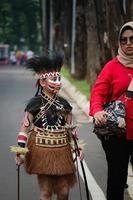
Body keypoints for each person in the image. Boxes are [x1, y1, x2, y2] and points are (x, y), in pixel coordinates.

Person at [14, 50, 84, 200]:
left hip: (62, 152)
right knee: (46, 193)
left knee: (64, 192)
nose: (57, 82)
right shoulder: (34, 104)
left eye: (58, 78)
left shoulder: (64, 104)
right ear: (42, 82)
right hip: (41, 150)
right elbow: (24, 128)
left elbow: (70, 130)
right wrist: (20, 150)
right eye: (53, 78)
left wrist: (78, 148)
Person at [89, 21, 133, 200]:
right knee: (116, 180)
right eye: (124, 40)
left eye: (132, 39)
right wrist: (97, 110)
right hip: (117, 133)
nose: (128, 43)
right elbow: (97, 92)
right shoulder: (112, 67)